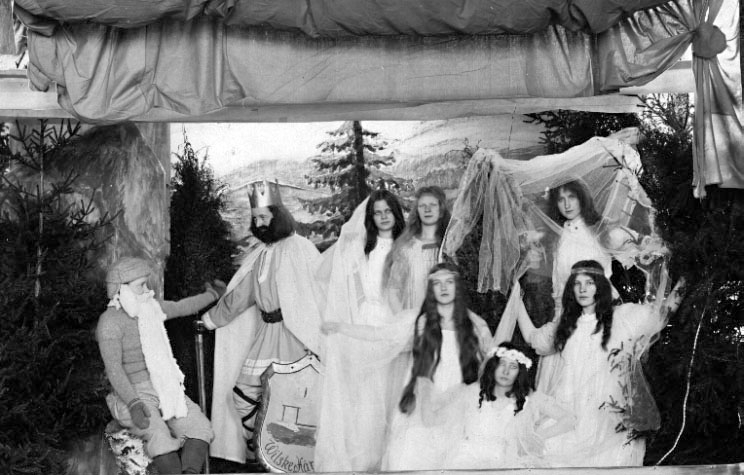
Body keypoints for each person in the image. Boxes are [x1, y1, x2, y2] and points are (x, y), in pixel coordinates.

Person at [515, 260, 684, 467]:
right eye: (577, 284)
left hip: (607, 417)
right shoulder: (564, 326)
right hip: (571, 413)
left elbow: (662, 314)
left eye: (589, 283)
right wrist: (516, 299)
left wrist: (685, 280)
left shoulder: (622, 317)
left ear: (600, 287)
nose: (583, 289)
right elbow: (533, 338)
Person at [202, 179, 322, 463]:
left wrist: (315, 336)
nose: (259, 223)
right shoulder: (261, 254)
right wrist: (209, 320)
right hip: (266, 334)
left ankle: (288, 461)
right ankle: (262, 450)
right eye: (255, 218)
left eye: (264, 217)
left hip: (294, 336)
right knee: (243, 395)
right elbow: (241, 296)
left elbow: (318, 293)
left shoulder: (300, 248)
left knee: (292, 402)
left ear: (277, 216)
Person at [96, 256, 225, 474]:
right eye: (141, 285)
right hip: (133, 393)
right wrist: (134, 403)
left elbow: (181, 307)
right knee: (158, 435)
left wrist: (212, 295)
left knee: (199, 426)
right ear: (121, 288)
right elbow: (114, 369)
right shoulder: (109, 322)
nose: (147, 290)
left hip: (163, 386)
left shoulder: (151, 309)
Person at [314, 189, 406, 471]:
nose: (383, 217)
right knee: (367, 391)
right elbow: (326, 273)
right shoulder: (365, 247)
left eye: (388, 211)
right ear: (371, 218)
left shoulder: (405, 246)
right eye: (377, 213)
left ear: (396, 213)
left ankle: (391, 458)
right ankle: (366, 457)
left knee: (393, 386)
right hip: (367, 320)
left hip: (395, 319)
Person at [433, 342, 575, 469]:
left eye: (513, 366)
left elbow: (569, 419)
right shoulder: (473, 392)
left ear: (519, 372)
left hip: (503, 462)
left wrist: (537, 436)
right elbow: (440, 417)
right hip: (466, 459)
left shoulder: (528, 398)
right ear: (493, 366)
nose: (506, 371)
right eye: (502, 364)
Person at [383, 185, 451, 313]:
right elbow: (393, 291)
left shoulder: (450, 247)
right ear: (417, 211)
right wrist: (405, 319)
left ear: (441, 210)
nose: (427, 209)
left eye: (432, 205)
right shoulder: (407, 248)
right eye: (422, 206)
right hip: (413, 317)